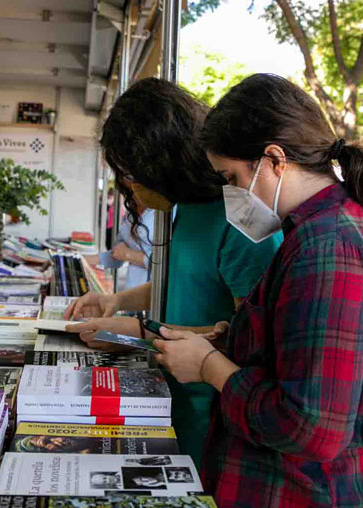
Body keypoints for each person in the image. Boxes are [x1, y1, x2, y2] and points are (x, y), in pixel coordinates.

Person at [141, 74, 363, 507]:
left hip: (310, 491)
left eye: (232, 177)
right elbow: (303, 356)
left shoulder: (332, 248)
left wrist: (210, 367)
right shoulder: (314, 232)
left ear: (275, 160)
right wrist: (232, 341)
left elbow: (311, 428)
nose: (232, 194)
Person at [65, 78, 282, 468]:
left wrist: (139, 332)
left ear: (160, 163)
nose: (129, 188)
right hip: (174, 405)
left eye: (131, 175)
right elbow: (185, 282)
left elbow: (249, 341)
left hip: (217, 419)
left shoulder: (242, 220)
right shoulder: (184, 208)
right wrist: (119, 301)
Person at [86, 198, 154, 291]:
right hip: (131, 292)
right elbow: (117, 254)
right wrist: (81, 260)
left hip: (155, 294)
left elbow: (167, 263)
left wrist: (129, 255)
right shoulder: (131, 209)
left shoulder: (169, 213)